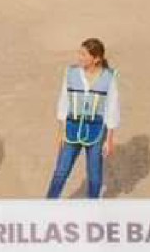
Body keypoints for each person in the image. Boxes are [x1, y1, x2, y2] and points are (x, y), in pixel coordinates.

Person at [45, 38, 120, 199]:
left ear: (96, 58)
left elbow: (112, 108)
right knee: (61, 172)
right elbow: (64, 101)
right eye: (80, 53)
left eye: (84, 54)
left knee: (94, 175)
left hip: (96, 131)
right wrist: (60, 131)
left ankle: (91, 207)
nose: (79, 57)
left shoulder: (109, 77)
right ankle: (48, 206)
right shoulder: (71, 73)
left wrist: (109, 140)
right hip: (71, 129)